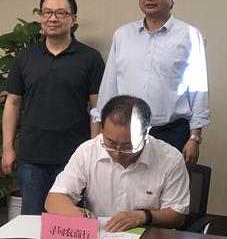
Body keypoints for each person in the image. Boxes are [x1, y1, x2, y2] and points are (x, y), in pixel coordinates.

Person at [1, 0, 104, 215]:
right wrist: (8, 148)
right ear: (41, 17)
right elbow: (13, 103)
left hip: (74, 157)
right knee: (31, 220)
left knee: (70, 222)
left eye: (60, 13)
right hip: (32, 157)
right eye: (47, 12)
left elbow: (97, 108)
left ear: (73, 18)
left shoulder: (90, 58)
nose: (53, 18)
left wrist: (94, 150)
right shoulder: (25, 57)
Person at [94, 0, 210, 163]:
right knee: (124, 180)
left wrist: (195, 137)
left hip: (171, 131)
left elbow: (198, 90)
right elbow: (110, 84)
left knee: (167, 182)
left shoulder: (189, 35)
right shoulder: (123, 35)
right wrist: (100, 129)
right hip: (125, 131)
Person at [46, 95, 189, 231]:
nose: (117, 153)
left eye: (128, 146)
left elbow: (177, 216)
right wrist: (79, 216)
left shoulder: (170, 159)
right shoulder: (88, 151)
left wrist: (143, 216)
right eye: (110, 143)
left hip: (151, 237)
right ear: (102, 130)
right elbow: (54, 199)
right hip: (101, 235)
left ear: (146, 134)